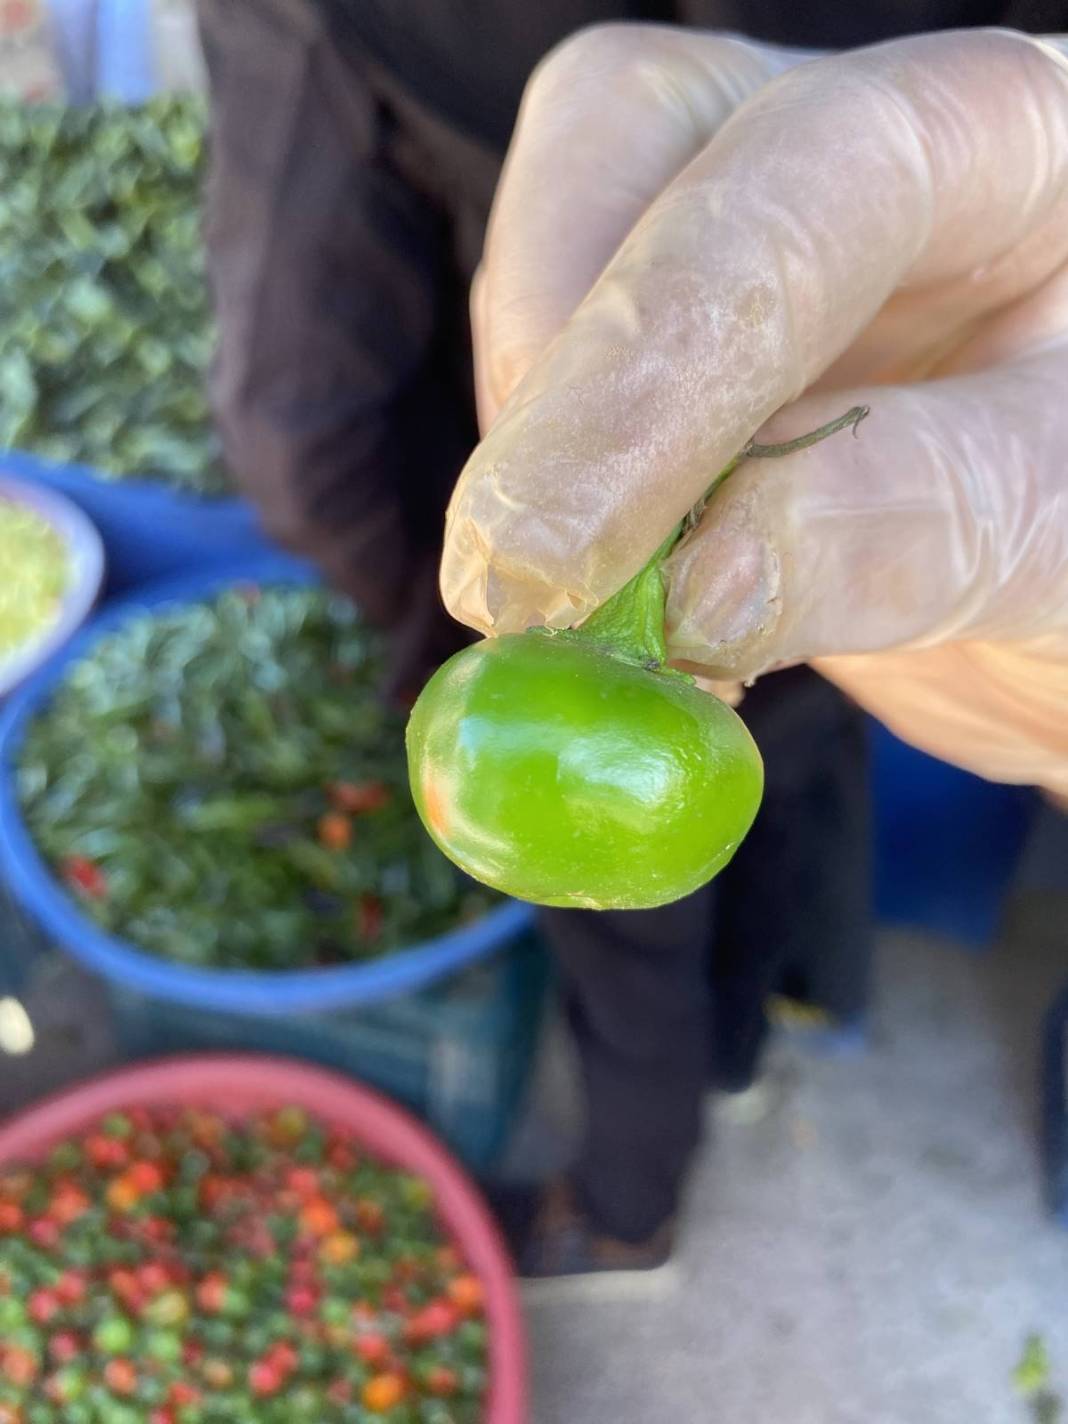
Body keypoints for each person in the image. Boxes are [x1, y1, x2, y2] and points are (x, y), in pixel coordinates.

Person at [195, 0, 879, 1283]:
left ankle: (627, 1204)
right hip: (845, 466)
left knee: (625, 931)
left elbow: (293, 418)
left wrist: (428, 611)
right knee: (785, 778)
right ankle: (760, 1036)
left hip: (550, 575)